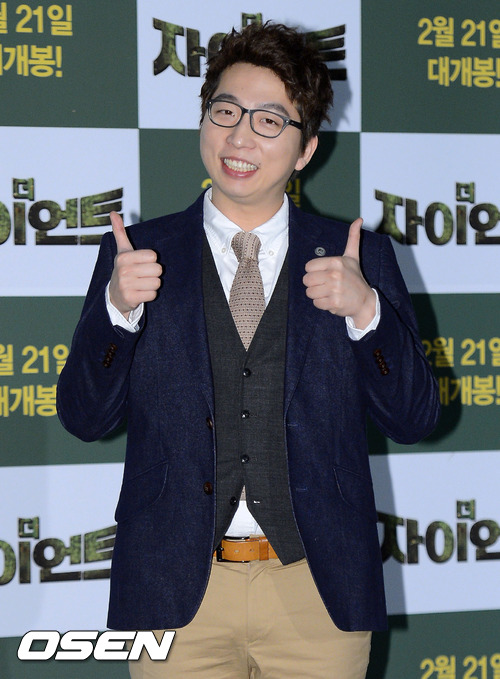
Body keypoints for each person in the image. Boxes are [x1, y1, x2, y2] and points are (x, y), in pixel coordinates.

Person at [57, 21, 440, 679]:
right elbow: (84, 417)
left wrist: (366, 313)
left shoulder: (358, 260)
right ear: (204, 119)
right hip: (174, 594)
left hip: (317, 594)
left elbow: (415, 419)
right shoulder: (136, 256)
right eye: (226, 111)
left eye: (269, 121)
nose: (240, 137)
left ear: (305, 148)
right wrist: (118, 312)